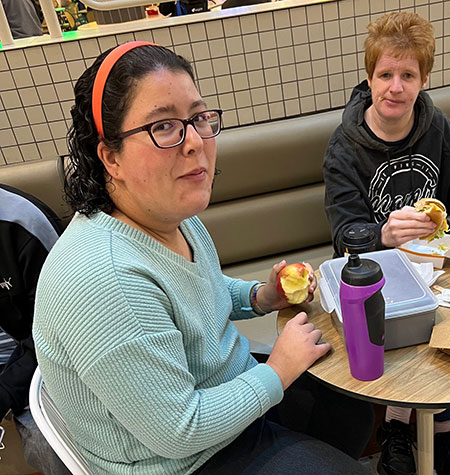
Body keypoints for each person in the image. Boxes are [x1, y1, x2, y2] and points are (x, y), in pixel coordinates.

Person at [32, 41, 373, 475]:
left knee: (351, 403)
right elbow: (179, 430)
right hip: (187, 460)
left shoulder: (169, 213)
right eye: (164, 127)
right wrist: (280, 371)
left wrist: (260, 297)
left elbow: (197, 295)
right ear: (110, 156)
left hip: (226, 403)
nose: (194, 142)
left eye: (197, 119)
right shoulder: (102, 278)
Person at [323, 12, 450, 475]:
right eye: (385, 74)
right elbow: (343, 239)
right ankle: (396, 424)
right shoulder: (344, 148)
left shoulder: (435, 126)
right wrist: (383, 236)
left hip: (436, 263)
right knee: (395, 318)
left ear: (424, 79)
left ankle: (441, 430)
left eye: (408, 75)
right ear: (369, 76)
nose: (395, 87)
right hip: (375, 273)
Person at [0, 184, 69, 474]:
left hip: (38, 361)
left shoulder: (22, 222)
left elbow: (61, 329)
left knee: (48, 445)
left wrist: (4, 391)